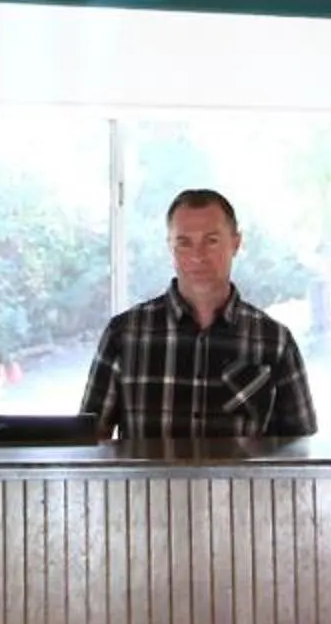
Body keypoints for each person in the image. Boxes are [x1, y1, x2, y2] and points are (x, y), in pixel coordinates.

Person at [79, 188, 317, 442]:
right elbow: (90, 443)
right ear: (170, 247)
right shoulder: (123, 336)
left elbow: (301, 453)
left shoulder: (275, 341)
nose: (197, 256)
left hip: (240, 484)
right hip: (149, 485)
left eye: (211, 240)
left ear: (236, 244)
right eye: (184, 242)